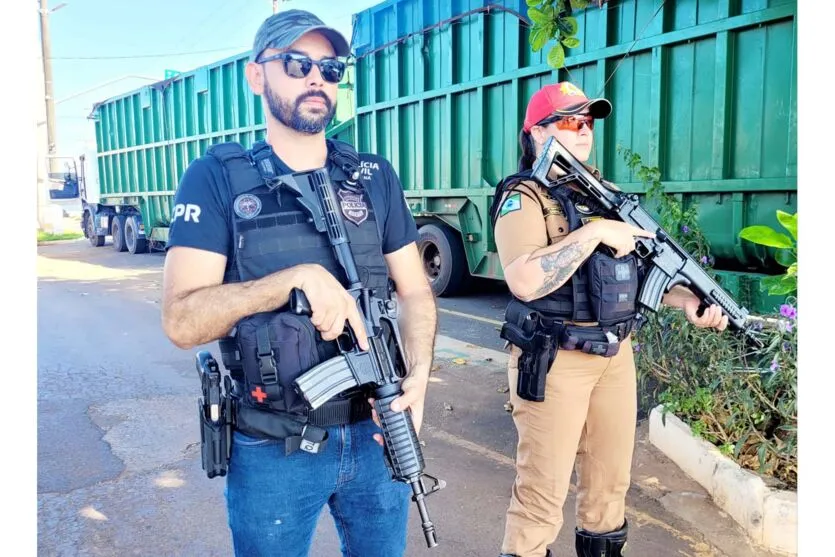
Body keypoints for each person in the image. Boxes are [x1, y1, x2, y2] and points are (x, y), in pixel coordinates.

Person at [160, 10, 437, 557]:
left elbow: (415, 293)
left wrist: (420, 377)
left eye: (330, 69)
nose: (317, 78)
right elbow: (181, 320)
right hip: (273, 448)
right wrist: (292, 281)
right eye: (298, 63)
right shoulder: (216, 176)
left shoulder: (373, 176)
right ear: (257, 76)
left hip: (377, 430)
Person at [489, 81, 729, 557]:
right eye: (568, 121)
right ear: (536, 133)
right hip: (555, 358)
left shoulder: (607, 196)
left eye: (588, 122)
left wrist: (685, 301)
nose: (582, 131)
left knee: (609, 487)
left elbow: (632, 277)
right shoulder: (525, 196)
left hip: (615, 356)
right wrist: (595, 232)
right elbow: (524, 280)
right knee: (542, 495)